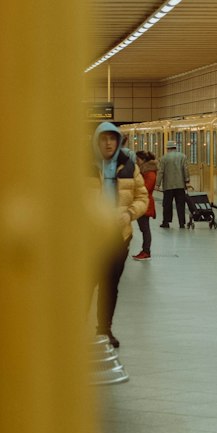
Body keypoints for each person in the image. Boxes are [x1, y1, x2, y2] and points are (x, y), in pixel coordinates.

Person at [92, 122, 148, 348]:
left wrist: (129, 214)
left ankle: (104, 329)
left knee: (110, 285)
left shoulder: (128, 166)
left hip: (119, 235)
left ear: (118, 141)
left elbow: (142, 198)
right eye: (104, 139)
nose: (108, 143)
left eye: (112, 139)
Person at [157, 138, 191, 228]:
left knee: (167, 204)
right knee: (180, 204)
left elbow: (161, 171)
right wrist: (187, 181)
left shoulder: (164, 158)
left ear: (167, 148)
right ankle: (181, 223)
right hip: (180, 185)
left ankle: (166, 222)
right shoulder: (182, 156)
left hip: (168, 185)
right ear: (175, 147)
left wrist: (157, 184)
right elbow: (186, 169)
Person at [133, 150, 157, 260]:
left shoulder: (149, 173)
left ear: (143, 160)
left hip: (145, 203)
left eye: (137, 160)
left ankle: (146, 251)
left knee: (145, 228)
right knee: (143, 228)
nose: (136, 162)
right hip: (142, 202)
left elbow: (146, 189)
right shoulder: (144, 172)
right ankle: (145, 250)